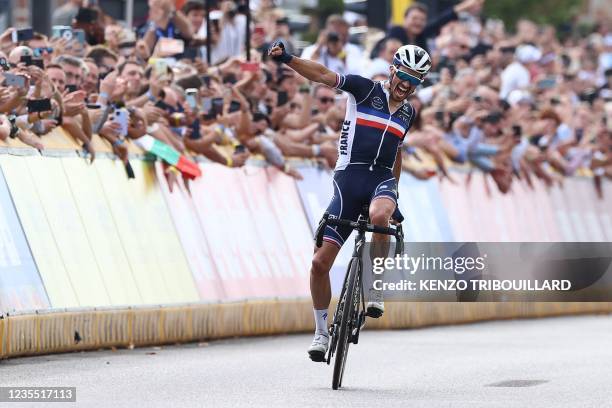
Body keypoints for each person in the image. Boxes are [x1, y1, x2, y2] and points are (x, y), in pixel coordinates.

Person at [268, 41, 431, 361]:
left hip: (380, 181)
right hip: (348, 181)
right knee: (318, 264)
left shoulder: (409, 112)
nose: (406, 85)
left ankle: (375, 285)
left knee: (381, 217)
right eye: (404, 76)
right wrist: (288, 58)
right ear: (393, 69)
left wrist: (394, 193)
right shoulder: (364, 89)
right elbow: (324, 75)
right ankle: (321, 331)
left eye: (415, 81)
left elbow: (396, 151)